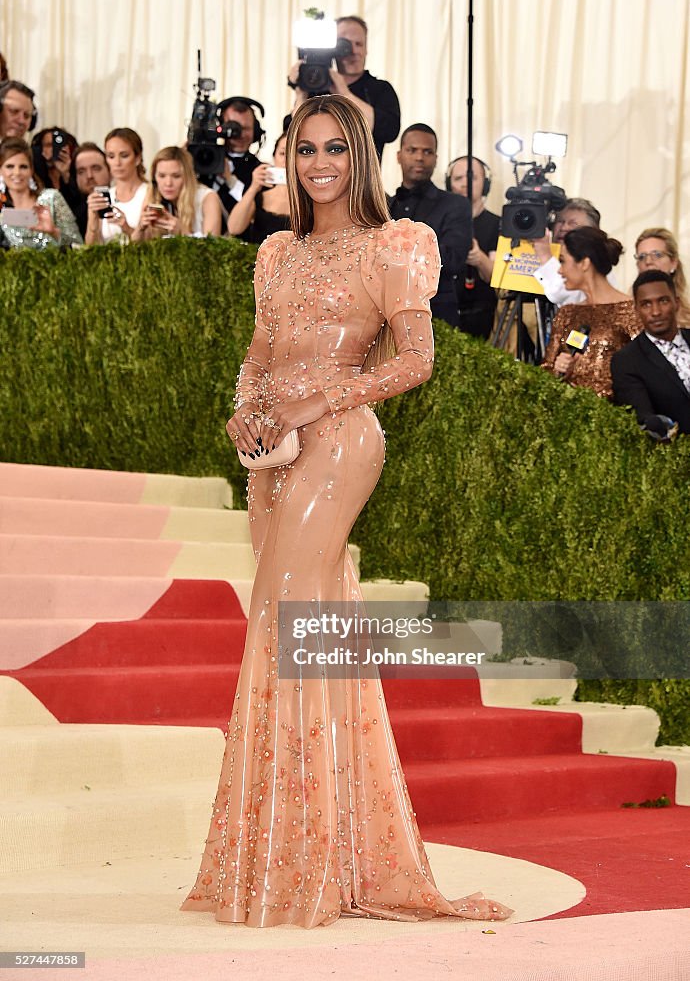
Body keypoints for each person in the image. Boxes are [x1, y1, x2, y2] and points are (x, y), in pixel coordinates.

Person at [180, 94, 511, 929]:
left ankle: (296, 856)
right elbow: (257, 356)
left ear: (359, 154)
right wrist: (245, 407)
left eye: (335, 147)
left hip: (340, 444)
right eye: (305, 149)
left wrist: (316, 402)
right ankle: (313, 848)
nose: (320, 162)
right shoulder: (276, 253)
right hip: (274, 458)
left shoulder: (398, 242)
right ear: (289, 159)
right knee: (311, 626)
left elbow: (417, 361)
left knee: (280, 621)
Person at [389, 124, 472, 328]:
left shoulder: (456, 204)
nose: (419, 157)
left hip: (436, 316)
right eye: (412, 150)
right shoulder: (385, 205)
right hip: (385, 312)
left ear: (436, 159)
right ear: (399, 156)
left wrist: (395, 245)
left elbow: (453, 259)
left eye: (427, 152)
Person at [541, 226, 639, 398]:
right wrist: (557, 368)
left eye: (563, 261)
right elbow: (544, 371)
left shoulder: (630, 310)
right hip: (568, 414)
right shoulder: (567, 313)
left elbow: (646, 367)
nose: (559, 270)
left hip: (614, 415)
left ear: (584, 263)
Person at [286, 16, 400, 162]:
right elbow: (293, 135)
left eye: (359, 44)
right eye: (344, 44)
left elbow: (388, 130)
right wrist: (301, 94)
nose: (352, 51)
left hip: (364, 180)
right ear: (332, 49)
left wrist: (344, 93)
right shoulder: (317, 89)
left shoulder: (380, 89)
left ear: (366, 49)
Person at [612, 270, 690, 438]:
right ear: (637, 309)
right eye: (646, 304)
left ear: (676, 303)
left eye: (663, 301)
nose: (656, 312)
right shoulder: (627, 361)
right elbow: (643, 418)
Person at [446, 155, 500, 339]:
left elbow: (498, 278)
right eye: (458, 178)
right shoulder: (443, 222)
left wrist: (479, 258)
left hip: (481, 317)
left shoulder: (497, 225)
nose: (464, 184)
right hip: (444, 315)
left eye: (472, 178)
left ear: (485, 184)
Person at [0, 138, 82, 249]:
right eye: (10, 166)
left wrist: (53, 233)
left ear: (31, 170)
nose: (17, 173)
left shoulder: (51, 198)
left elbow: (78, 246)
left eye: (23, 167)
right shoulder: (1, 207)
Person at [132, 146, 223, 240]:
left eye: (176, 176)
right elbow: (135, 248)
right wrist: (140, 228)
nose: (168, 183)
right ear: (154, 177)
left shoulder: (207, 197)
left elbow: (213, 248)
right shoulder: (152, 194)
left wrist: (184, 233)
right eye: (162, 176)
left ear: (187, 177)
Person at [532, 198, 608, 307]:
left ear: (591, 231)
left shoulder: (596, 262)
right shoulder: (539, 256)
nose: (564, 228)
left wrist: (545, 256)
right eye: (560, 222)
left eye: (573, 223)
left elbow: (561, 293)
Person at [208, 98, 264, 228]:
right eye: (234, 128)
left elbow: (254, 211)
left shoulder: (260, 171)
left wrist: (230, 180)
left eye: (246, 128)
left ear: (256, 131)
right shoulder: (204, 158)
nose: (240, 135)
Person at [84, 128, 147, 245]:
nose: (117, 163)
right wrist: (92, 220)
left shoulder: (149, 193)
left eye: (124, 156)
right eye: (111, 156)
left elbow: (153, 243)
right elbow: (91, 247)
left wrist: (126, 227)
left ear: (137, 158)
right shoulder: (105, 195)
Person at [227, 132, 290, 244]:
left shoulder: (312, 197)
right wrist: (254, 187)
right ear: (274, 157)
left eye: (296, 153)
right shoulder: (260, 194)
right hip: (259, 259)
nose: (288, 160)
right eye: (283, 153)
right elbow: (234, 228)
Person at [634, 227, 690, 327]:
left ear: (673, 262)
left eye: (657, 255)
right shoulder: (628, 310)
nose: (648, 262)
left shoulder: (687, 315)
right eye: (642, 257)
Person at [31, 126, 81, 219]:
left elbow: (78, 204)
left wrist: (65, 174)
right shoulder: (33, 176)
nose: (53, 150)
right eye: (49, 145)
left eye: (57, 145)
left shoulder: (77, 175)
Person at [70, 142, 110, 237]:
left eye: (96, 168)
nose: (89, 176)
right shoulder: (71, 215)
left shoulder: (124, 204)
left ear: (110, 171)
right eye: (81, 171)